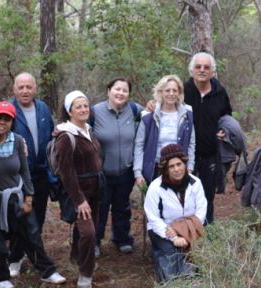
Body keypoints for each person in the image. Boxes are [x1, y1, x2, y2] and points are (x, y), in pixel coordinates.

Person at [0, 101, 66, 288]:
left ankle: (48, 271)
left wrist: (29, 197)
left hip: (16, 197)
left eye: (7, 119)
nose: (2, 122)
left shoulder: (18, 141)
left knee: (32, 236)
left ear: (12, 121)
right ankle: (3, 278)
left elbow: (24, 171)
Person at [54, 91, 103, 288]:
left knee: (87, 231)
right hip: (79, 193)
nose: (83, 110)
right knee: (89, 233)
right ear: (69, 111)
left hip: (96, 190)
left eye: (85, 105)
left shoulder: (88, 130)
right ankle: (85, 274)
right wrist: (79, 200)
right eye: (78, 107)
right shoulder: (66, 136)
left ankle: (77, 257)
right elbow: (66, 173)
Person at [8, 72, 55, 274]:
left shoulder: (43, 108)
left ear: (35, 88)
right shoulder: (9, 110)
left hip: (41, 174)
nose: (25, 91)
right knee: (20, 219)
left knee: (39, 217)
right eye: (21, 87)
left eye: (29, 86)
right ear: (14, 89)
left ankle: (32, 254)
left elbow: (51, 135)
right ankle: (15, 258)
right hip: (17, 176)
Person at [92, 77, 143, 256]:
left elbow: (154, 116)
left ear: (129, 94)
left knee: (122, 206)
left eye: (124, 90)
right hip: (102, 172)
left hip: (125, 171)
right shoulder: (95, 112)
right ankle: (95, 242)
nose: (120, 93)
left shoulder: (135, 110)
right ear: (108, 91)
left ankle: (121, 238)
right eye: (117, 89)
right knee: (100, 208)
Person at [144, 144, 207, 282]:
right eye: (171, 166)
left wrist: (185, 231)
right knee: (172, 252)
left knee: (194, 250)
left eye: (179, 164)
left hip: (191, 227)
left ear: (184, 164)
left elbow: (201, 211)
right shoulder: (155, 188)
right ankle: (172, 282)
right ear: (165, 169)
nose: (176, 169)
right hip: (162, 229)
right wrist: (174, 238)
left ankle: (192, 280)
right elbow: (153, 218)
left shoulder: (196, 183)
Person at [184, 52, 232, 224]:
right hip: (186, 155)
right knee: (185, 194)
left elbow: (227, 116)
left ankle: (208, 229)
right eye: (198, 67)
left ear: (212, 71)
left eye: (206, 67)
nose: (202, 70)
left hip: (211, 153)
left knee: (207, 194)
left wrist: (224, 131)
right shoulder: (183, 91)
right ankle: (187, 231)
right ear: (191, 71)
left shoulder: (220, 92)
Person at [135, 75, 195, 186]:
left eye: (174, 90)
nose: (171, 94)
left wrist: (190, 168)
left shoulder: (187, 115)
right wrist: (138, 173)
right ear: (160, 92)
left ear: (179, 93)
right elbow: (139, 145)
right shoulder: (148, 116)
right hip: (155, 169)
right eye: (167, 90)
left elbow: (191, 144)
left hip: (179, 170)